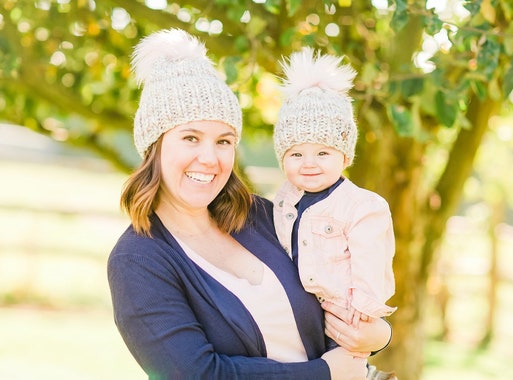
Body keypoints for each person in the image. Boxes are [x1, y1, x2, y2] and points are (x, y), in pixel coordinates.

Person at [107, 28, 392, 380]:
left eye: (224, 141)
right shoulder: (137, 260)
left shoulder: (261, 216)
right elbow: (196, 374)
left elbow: (336, 288)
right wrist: (323, 374)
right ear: (154, 145)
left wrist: (379, 335)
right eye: (191, 138)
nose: (209, 159)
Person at [272, 48, 397, 364]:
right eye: (296, 154)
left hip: (344, 317)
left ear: (345, 156)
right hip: (298, 321)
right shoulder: (283, 200)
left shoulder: (360, 207)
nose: (309, 164)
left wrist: (364, 310)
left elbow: (371, 259)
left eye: (323, 154)